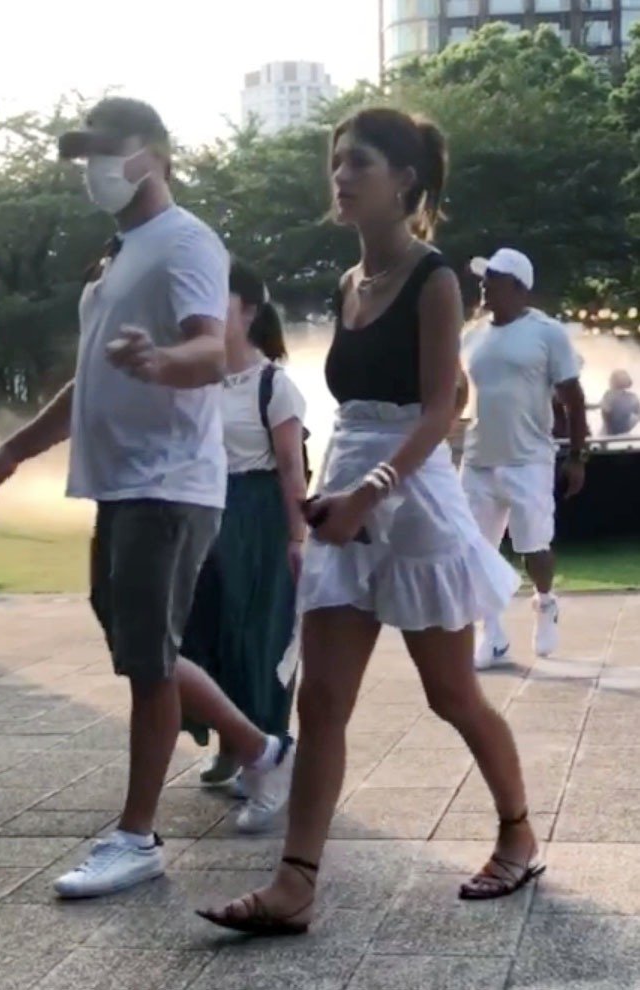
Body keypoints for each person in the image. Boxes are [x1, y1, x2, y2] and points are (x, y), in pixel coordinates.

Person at [198, 107, 541, 937]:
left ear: (406, 180)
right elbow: (352, 412)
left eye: (359, 163)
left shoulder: (435, 280)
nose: (341, 177)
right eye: (336, 163)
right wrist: (328, 496)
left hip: (412, 497)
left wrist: (368, 493)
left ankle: (518, 833)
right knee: (321, 702)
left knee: (451, 693)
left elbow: (438, 411)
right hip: (346, 489)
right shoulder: (348, 283)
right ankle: (295, 883)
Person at [0, 97, 294, 900]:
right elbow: (89, 384)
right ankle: (261, 749)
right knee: (140, 643)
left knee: (147, 662)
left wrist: (162, 361)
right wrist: (11, 450)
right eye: (86, 156)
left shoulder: (186, 241)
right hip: (122, 485)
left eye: (109, 152)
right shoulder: (117, 258)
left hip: (167, 483)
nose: (95, 170)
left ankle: (136, 838)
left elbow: (211, 349)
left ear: (156, 154)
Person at [181, 260, 307, 831]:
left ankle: (269, 765)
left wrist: (297, 537)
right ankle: (234, 743)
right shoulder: (198, 378)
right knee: (205, 634)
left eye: (220, 299)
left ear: (250, 311)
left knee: (258, 637)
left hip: (257, 522)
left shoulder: (273, 385)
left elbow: (291, 469)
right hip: (204, 514)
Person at [461, 249, 588, 669]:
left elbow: (573, 399)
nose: (484, 284)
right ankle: (493, 634)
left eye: (493, 277)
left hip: (528, 458)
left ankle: (545, 601)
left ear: (518, 287)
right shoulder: (471, 335)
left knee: (533, 548)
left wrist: (576, 456)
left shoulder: (547, 333)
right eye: (484, 277)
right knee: (474, 551)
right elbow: (459, 393)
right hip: (478, 459)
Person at [600, 369, 640, 436]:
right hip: (627, 433)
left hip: (609, 433)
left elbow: (605, 414)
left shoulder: (608, 395)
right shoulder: (633, 397)